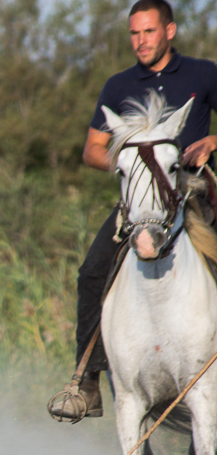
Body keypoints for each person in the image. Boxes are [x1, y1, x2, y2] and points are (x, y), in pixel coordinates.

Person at [48, 0, 217, 421]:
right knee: (91, 272)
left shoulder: (203, 74)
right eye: (134, 34)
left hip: (196, 192)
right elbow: (92, 149)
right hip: (141, 203)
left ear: (170, 31)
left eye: (148, 32)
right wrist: (134, 165)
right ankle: (86, 381)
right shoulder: (118, 85)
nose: (140, 41)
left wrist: (214, 142)